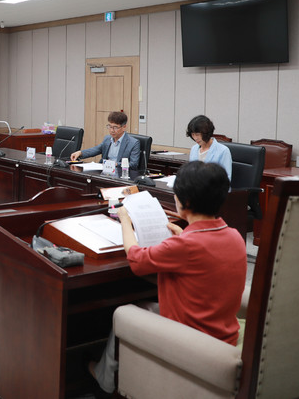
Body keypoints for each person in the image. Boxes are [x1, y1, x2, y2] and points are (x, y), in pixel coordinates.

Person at [89, 161, 246, 394]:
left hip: (190, 337)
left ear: (186, 202)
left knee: (127, 310)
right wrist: (183, 235)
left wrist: (125, 220)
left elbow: (136, 259)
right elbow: (204, 259)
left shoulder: (185, 246)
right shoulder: (234, 236)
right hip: (224, 334)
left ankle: (105, 381)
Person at [70, 111, 140, 169]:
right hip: (104, 172)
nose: (112, 130)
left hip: (120, 173)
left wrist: (115, 164)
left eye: (115, 127)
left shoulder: (133, 143)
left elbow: (133, 164)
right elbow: (96, 149)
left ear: (124, 127)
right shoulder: (107, 139)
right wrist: (80, 153)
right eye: (110, 127)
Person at [187, 114, 232, 181]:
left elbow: (226, 179)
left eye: (197, 134)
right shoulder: (194, 149)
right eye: (193, 134)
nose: (195, 138)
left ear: (206, 133)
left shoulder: (223, 151)